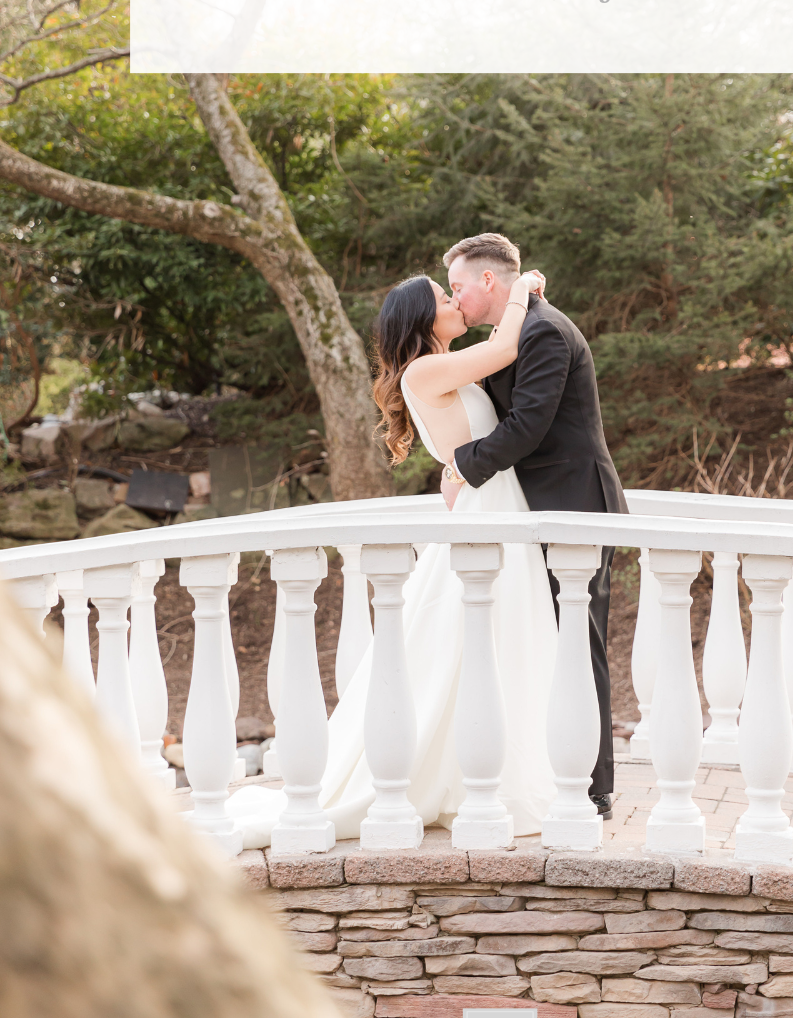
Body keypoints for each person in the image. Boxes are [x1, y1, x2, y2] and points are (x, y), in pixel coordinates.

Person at [229, 262, 559, 844]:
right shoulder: (426, 369)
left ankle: (486, 773)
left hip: (497, 508)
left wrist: (456, 470)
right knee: (478, 644)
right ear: (421, 317)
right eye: (444, 295)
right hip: (491, 519)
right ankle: (471, 780)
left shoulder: (440, 369)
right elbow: (507, 345)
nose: (456, 301)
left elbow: (471, 436)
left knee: (495, 645)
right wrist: (524, 288)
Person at [442, 232, 628, 817]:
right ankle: (556, 771)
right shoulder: (514, 330)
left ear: (487, 282)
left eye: (457, 287)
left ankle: (593, 788)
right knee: (546, 640)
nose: (455, 298)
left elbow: (526, 426)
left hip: (575, 503)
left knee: (579, 641)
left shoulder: (545, 331)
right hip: (535, 508)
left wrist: (460, 468)